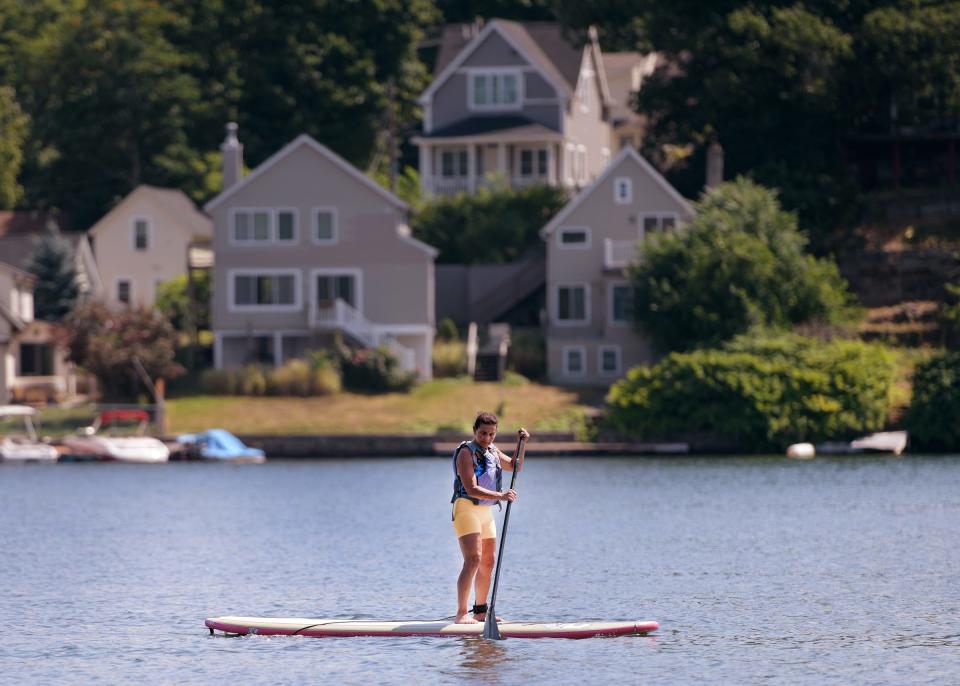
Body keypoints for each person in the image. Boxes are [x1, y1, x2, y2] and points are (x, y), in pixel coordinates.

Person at [451, 411, 529, 624]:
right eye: (483, 433)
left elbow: (515, 466)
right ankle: (461, 614)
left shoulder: (492, 451)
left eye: (491, 434)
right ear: (475, 431)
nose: (487, 438)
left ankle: (480, 611)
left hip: (485, 513)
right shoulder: (466, 453)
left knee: (488, 561)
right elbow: (471, 488)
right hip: (466, 508)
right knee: (473, 559)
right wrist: (501, 496)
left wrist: (521, 443)